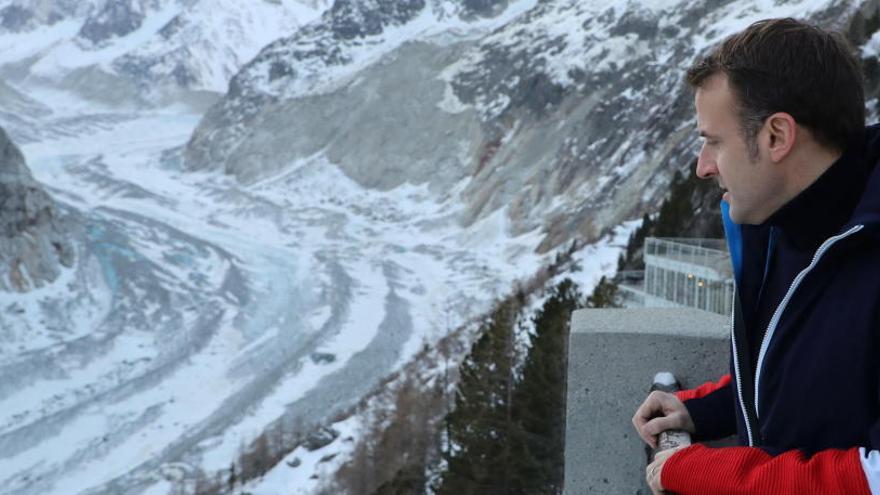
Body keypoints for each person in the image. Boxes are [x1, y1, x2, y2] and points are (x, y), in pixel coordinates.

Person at [632, 17, 880, 494]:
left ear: (776, 137)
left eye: (713, 141)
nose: (703, 167)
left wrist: (715, 474)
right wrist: (705, 409)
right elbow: (815, 379)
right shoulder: (784, 227)